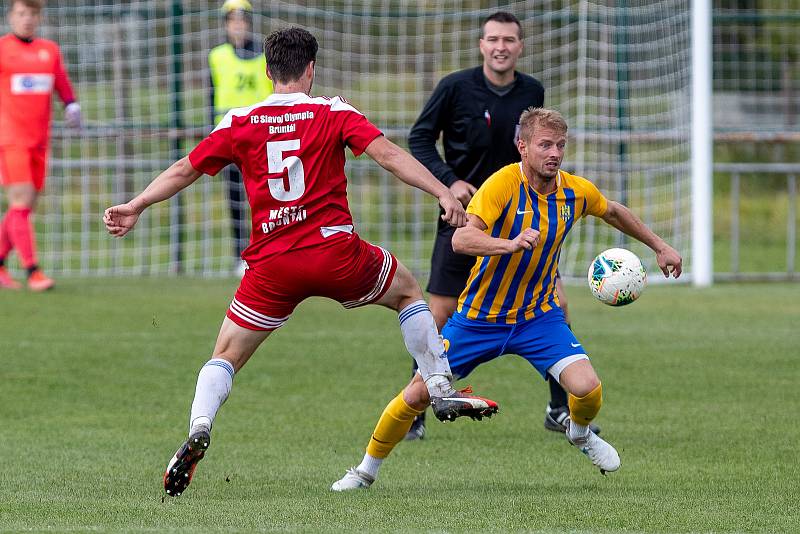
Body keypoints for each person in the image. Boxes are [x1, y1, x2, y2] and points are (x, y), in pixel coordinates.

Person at [103, 27, 499, 497]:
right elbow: (389, 156)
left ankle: (199, 425)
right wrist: (441, 190)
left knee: (225, 355)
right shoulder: (333, 112)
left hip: (272, 263)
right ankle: (437, 382)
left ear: (267, 71)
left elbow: (185, 168)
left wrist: (137, 204)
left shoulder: (240, 120)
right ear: (311, 69)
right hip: (336, 254)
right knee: (410, 292)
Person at [331, 107, 682, 490]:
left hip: (538, 317)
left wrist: (659, 246)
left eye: (560, 145)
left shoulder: (574, 192)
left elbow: (612, 211)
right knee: (416, 394)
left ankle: (579, 433)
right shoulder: (501, 186)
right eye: (545, 145)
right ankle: (364, 472)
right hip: (479, 318)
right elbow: (462, 239)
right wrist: (509, 244)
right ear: (523, 147)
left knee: (588, 389)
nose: (555, 153)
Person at [405, 11, 580, 440]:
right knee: (440, 314)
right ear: (482, 45)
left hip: (524, 223)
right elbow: (419, 139)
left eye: (509, 39)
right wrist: (450, 182)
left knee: (556, 305)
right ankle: (415, 412)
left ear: (520, 46)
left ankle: (559, 409)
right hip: (464, 219)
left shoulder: (532, 91)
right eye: (493, 39)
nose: (501, 46)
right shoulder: (454, 87)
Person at [0, 0, 80, 291]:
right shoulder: (2, 48)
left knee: (23, 208)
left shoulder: (49, 50)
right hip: (11, 140)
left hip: (39, 141)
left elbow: (61, 83)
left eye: (33, 14)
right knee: (20, 202)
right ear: (11, 16)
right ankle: (33, 271)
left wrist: (71, 105)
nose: (27, 19)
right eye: (22, 13)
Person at [209, 0, 273, 275]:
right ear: (226, 25)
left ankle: (266, 251)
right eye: (232, 21)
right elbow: (210, 94)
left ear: (249, 23)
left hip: (259, 136)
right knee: (234, 197)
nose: (237, 26)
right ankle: (240, 255)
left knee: (263, 197)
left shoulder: (262, 56)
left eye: (242, 20)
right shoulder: (217, 56)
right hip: (230, 137)